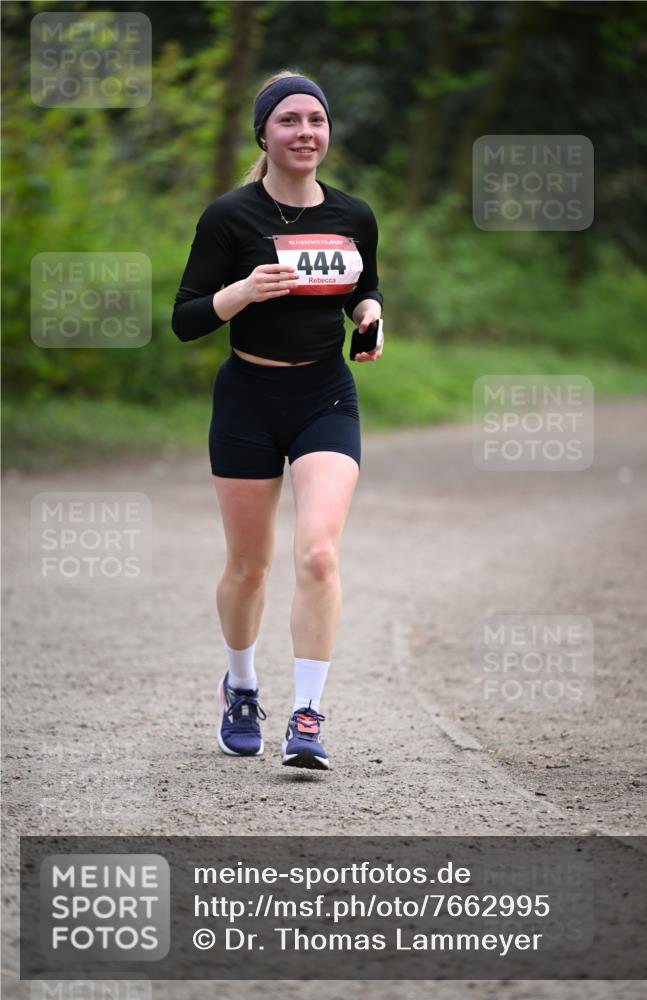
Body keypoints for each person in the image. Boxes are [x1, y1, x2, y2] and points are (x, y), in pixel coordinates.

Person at [171, 69, 383, 771]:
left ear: (328, 132)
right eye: (288, 121)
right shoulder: (229, 217)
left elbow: (363, 283)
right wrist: (240, 291)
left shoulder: (353, 215)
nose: (304, 133)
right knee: (250, 567)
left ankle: (307, 716)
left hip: (326, 397)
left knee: (318, 553)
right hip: (246, 403)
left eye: (315, 121)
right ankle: (240, 686)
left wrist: (368, 314)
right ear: (263, 133)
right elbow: (186, 320)